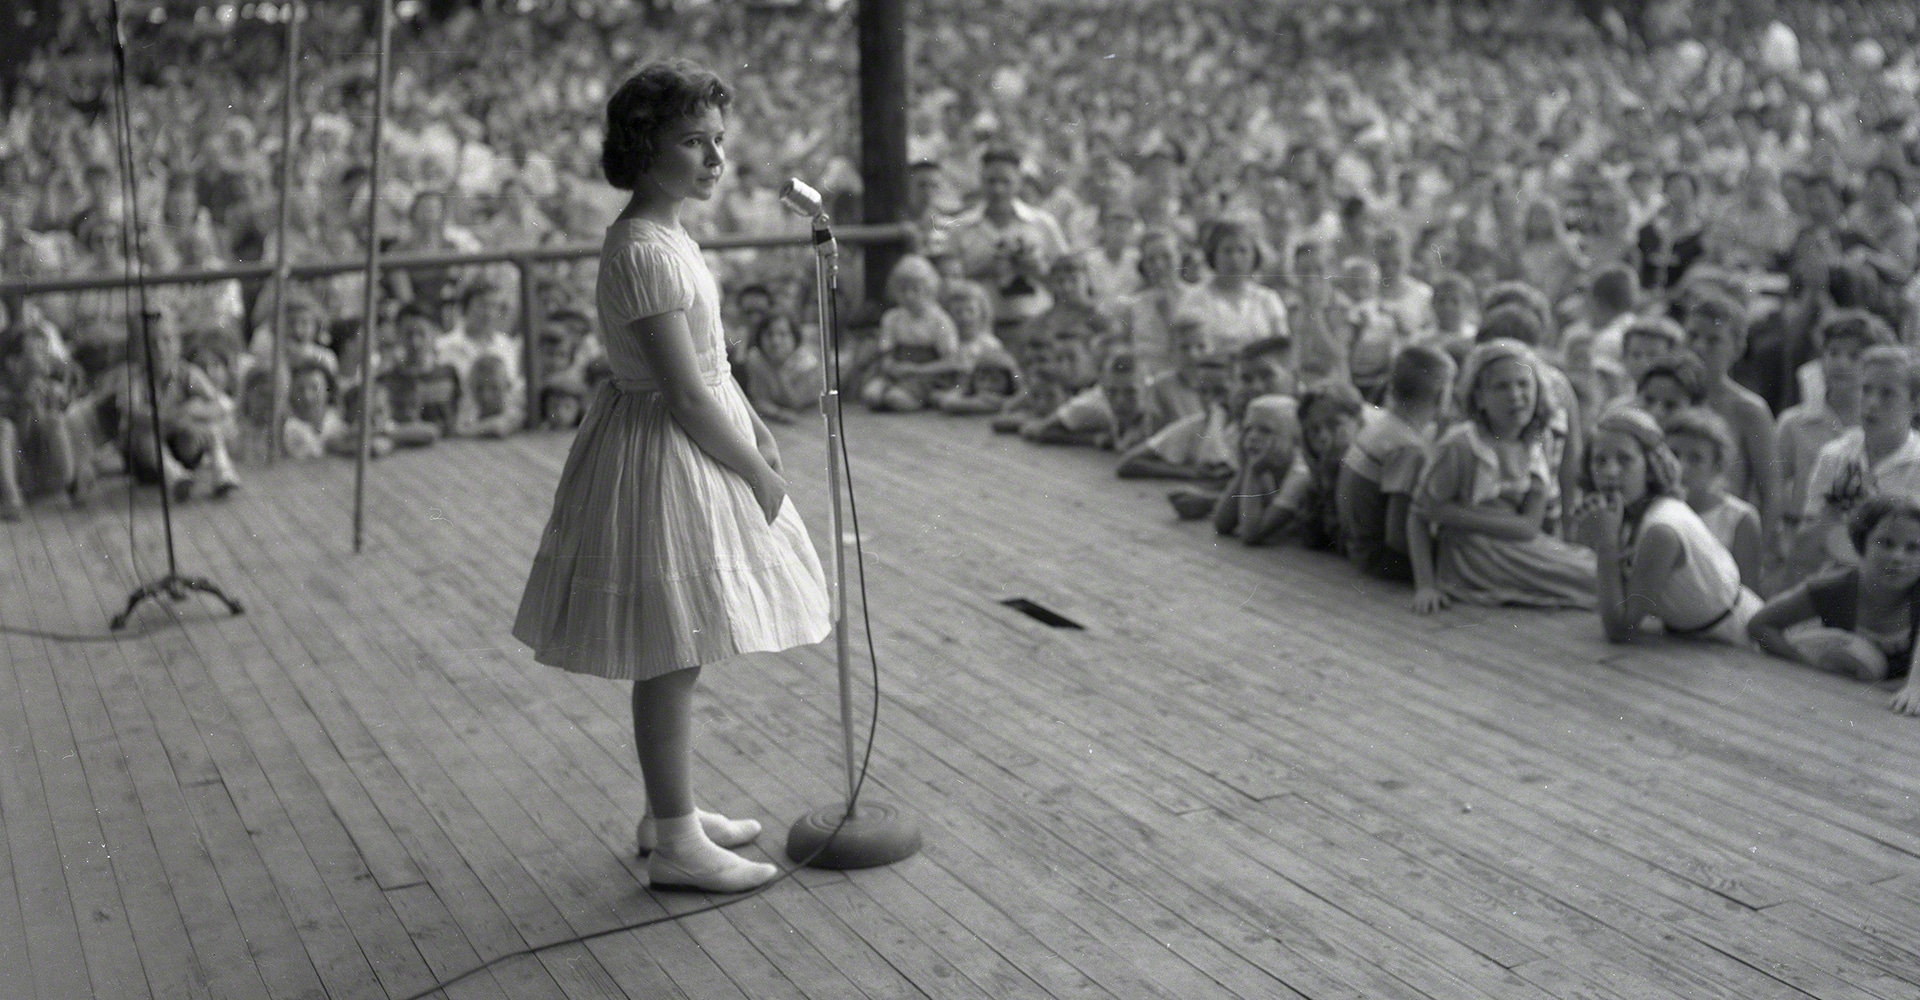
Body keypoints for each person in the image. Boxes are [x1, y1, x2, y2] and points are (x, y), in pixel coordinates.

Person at [513, 61, 830, 895]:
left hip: (688, 431)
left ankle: (668, 814)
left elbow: (711, 364)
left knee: (678, 647)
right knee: (673, 648)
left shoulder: (673, 237)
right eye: (693, 142)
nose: (715, 159)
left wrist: (757, 423)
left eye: (719, 141)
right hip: (661, 454)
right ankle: (679, 837)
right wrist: (755, 475)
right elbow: (684, 393)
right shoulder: (644, 251)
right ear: (642, 146)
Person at [1410, 339, 1596, 613]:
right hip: (1473, 557)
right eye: (1502, 386)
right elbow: (1419, 514)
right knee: (1587, 578)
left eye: (1524, 384)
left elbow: (1529, 526)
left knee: (1589, 564)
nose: (1515, 395)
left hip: (1518, 544)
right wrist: (1425, 585)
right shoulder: (1463, 445)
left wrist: (1451, 515)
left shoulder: (1535, 442)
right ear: (1479, 397)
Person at [1575, 406, 1760, 645]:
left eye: (1625, 459)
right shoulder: (1629, 513)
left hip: (1739, 640)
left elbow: (1620, 630)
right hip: (1690, 641)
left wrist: (1606, 545)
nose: (1610, 471)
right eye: (1600, 460)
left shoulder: (1661, 528)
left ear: (1651, 468)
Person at [1750, 496, 1920, 713]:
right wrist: (1807, 667)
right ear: (1862, 543)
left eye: (1914, 548)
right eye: (1886, 542)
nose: (1898, 556)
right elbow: (1760, 624)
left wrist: (1913, 687)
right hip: (1835, 707)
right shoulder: (1835, 588)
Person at [1338, 343, 1455, 582]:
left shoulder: (1381, 425)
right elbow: (1397, 535)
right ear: (1442, 393)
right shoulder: (1408, 448)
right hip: (1381, 558)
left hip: (1355, 545)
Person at [1664, 407, 1764, 591]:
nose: (1680, 466)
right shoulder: (1655, 508)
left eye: (1695, 458)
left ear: (1717, 466)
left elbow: (1749, 591)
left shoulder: (1740, 518)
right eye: (1673, 454)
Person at [862, 254, 961, 412]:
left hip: (927, 373)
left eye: (915, 290)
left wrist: (915, 369)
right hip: (898, 371)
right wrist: (890, 366)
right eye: (902, 290)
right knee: (871, 395)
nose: (909, 296)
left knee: (896, 400)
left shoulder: (940, 320)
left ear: (929, 289)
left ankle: (923, 398)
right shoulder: (892, 317)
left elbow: (951, 361)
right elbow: (887, 352)